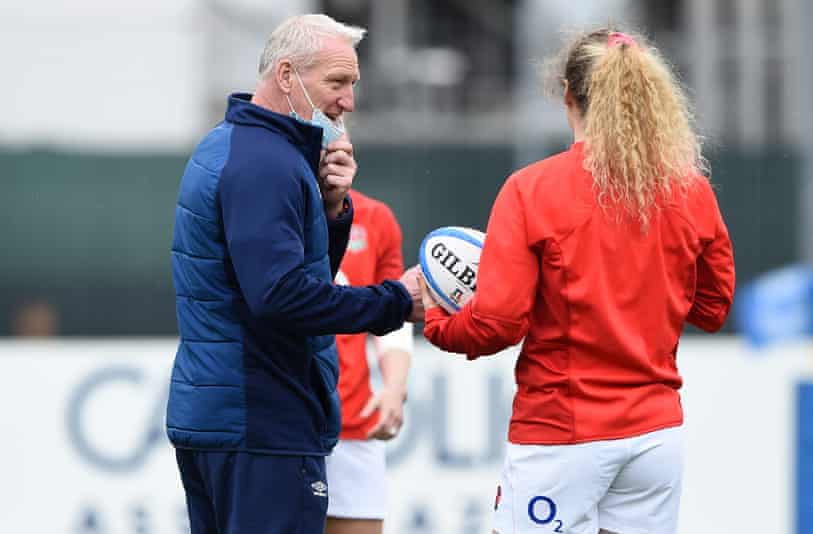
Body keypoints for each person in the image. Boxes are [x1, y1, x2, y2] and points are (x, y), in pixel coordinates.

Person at [419, 29, 735, 534]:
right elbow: (713, 308)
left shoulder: (532, 189)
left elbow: (496, 323)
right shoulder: (690, 190)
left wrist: (435, 317)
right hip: (655, 436)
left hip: (563, 435)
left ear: (567, 93)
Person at [166, 14, 422, 534]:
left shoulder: (239, 144)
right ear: (286, 75)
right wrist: (396, 300)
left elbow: (286, 278)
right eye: (337, 82)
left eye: (352, 84)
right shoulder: (266, 162)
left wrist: (332, 210)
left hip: (232, 420)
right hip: (260, 422)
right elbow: (281, 298)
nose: (348, 100)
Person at [326, 190, 413, 534]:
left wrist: (394, 387)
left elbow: (394, 315)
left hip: (352, 423)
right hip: (282, 428)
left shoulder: (376, 218)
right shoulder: (268, 211)